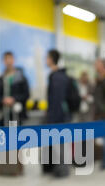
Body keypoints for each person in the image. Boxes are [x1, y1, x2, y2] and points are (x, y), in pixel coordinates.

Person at [43, 49, 71, 178]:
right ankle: (56, 169)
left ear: (52, 59)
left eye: (47, 57)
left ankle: (62, 171)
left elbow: (56, 100)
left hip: (58, 117)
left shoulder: (56, 77)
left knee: (59, 144)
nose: (45, 59)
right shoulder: (58, 75)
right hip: (59, 115)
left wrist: (51, 117)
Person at [0, 51, 30, 126]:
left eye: (10, 59)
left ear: (14, 60)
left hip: (17, 114)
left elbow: (26, 94)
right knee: (3, 134)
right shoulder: (0, 79)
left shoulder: (21, 79)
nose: (8, 62)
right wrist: (3, 100)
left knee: (14, 134)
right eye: (6, 59)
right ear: (3, 61)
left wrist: (14, 99)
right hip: (3, 114)